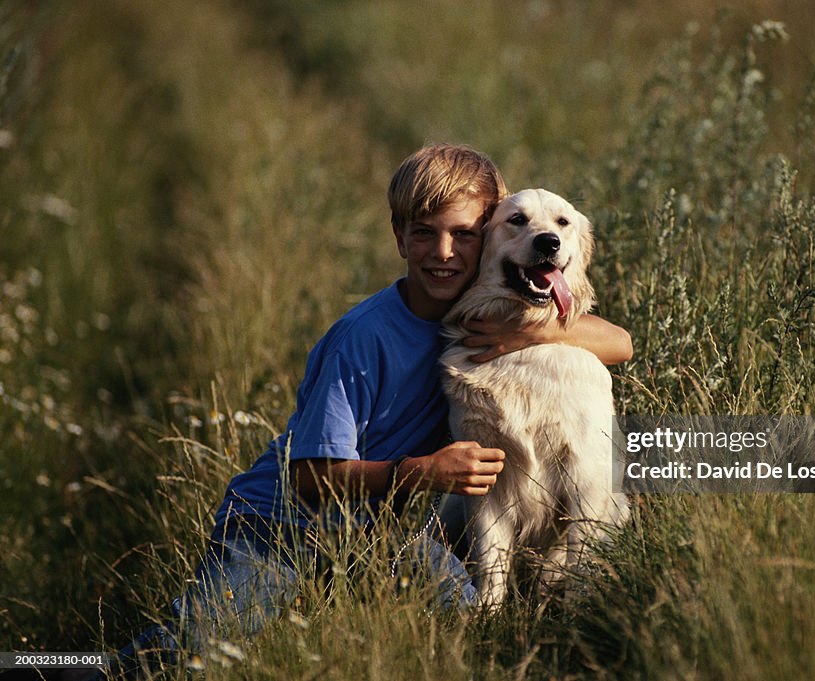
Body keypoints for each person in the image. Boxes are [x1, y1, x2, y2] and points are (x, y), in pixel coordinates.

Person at [98, 143, 632, 677]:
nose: (444, 252)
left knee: (468, 635)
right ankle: (47, 664)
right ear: (399, 237)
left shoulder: (494, 319)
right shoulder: (360, 337)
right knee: (178, 661)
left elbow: (619, 343)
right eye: (424, 232)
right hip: (281, 529)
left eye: (464, 234)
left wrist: (530, 325)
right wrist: (420, 472)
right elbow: (308, 479)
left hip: (381, 538)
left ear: (487, 239)